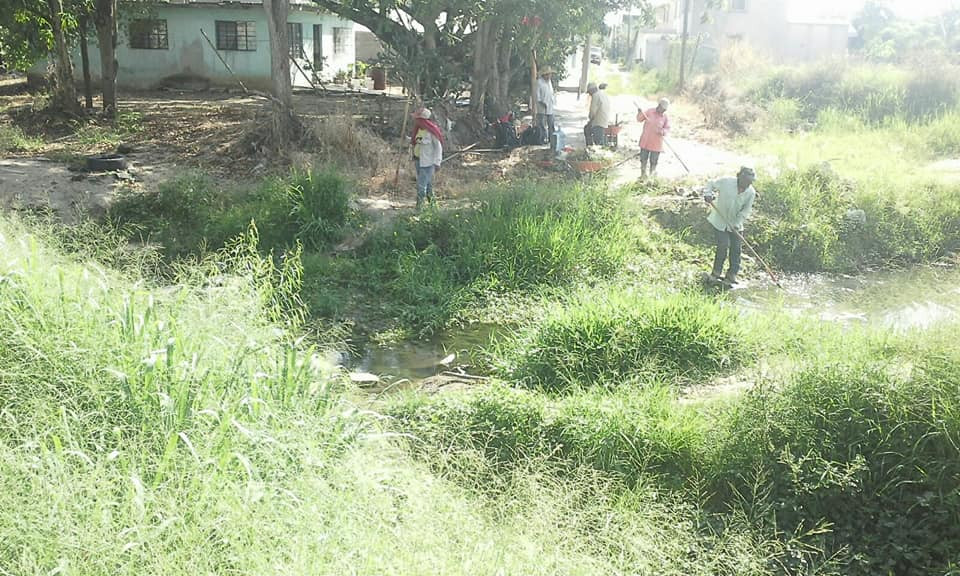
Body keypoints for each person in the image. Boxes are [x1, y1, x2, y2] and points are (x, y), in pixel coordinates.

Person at [703, 167, 757, 286]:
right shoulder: (726, 182)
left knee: (736, 249)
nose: (748, 185)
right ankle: (716, 273)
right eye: (746, 181)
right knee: (723, 245)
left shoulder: (750, 192)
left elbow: (745, 211)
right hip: (719, 220)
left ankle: (731, 275)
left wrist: (736, 224)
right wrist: (708, 194)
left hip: (736, 224)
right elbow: (710, 184)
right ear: (739, 177)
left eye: (750, 182)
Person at [411, 107, 443, 209]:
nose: (416, 121)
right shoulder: (418, 130)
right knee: (428, 185)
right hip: (418, 161)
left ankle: (419, 208)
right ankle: (433, 206)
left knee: (421, 186)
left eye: (417, 119)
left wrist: (437, 162)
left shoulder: (432, 132)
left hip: (428, 163)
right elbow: (416, 142)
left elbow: (438, 147)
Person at [636, 97, 671, 178]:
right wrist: (639, 113)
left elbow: (667, 129)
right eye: (662, 108)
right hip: (645, 141)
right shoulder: (650, 111)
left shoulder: (665, 117)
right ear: (659, 106)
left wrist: (661, 131)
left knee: (654, 161)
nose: (663, 111)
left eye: (665, 109)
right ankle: (643, 174)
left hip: (656, 144)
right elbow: (639, 119)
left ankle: (651, 176)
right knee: (643, 159)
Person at [584, 82, 612, 146]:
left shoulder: (595, 95)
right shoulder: (602, 94)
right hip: (604, 120)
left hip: (598, 122)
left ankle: (590, 147)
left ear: (592, 90)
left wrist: (590, 120)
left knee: (598, 141)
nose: (589, 94)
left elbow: (592, 111)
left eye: (589, 92)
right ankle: (591, 146)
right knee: (588, 129)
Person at [536, 67, 556, 145]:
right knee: (542, 126)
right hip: (542, 107)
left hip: (550, 107)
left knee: (551, 125)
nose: (549, 76)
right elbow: (537, 96)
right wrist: (542, 103)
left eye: (550, 74)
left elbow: (551, 94)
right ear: (544, 75)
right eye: (548, 74)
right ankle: (542, 140)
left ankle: (552, 140)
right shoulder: (539, 82)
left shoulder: (549, 82)